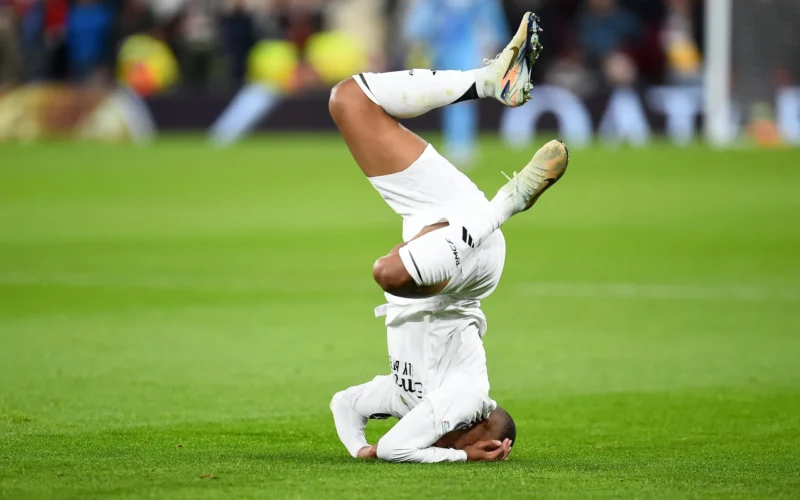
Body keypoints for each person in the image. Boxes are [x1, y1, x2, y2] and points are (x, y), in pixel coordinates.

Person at [328, 13, 569, 463]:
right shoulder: (469, 400)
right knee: (389, 272)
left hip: (440, 222)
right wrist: (459, 457)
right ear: (494, 442)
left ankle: (488, 80)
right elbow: (396, 449)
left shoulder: (407, 400)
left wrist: (359, 447)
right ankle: (509, 202)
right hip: (472, 260)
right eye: (478, 448)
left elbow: (344, 405)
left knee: (349, 99)